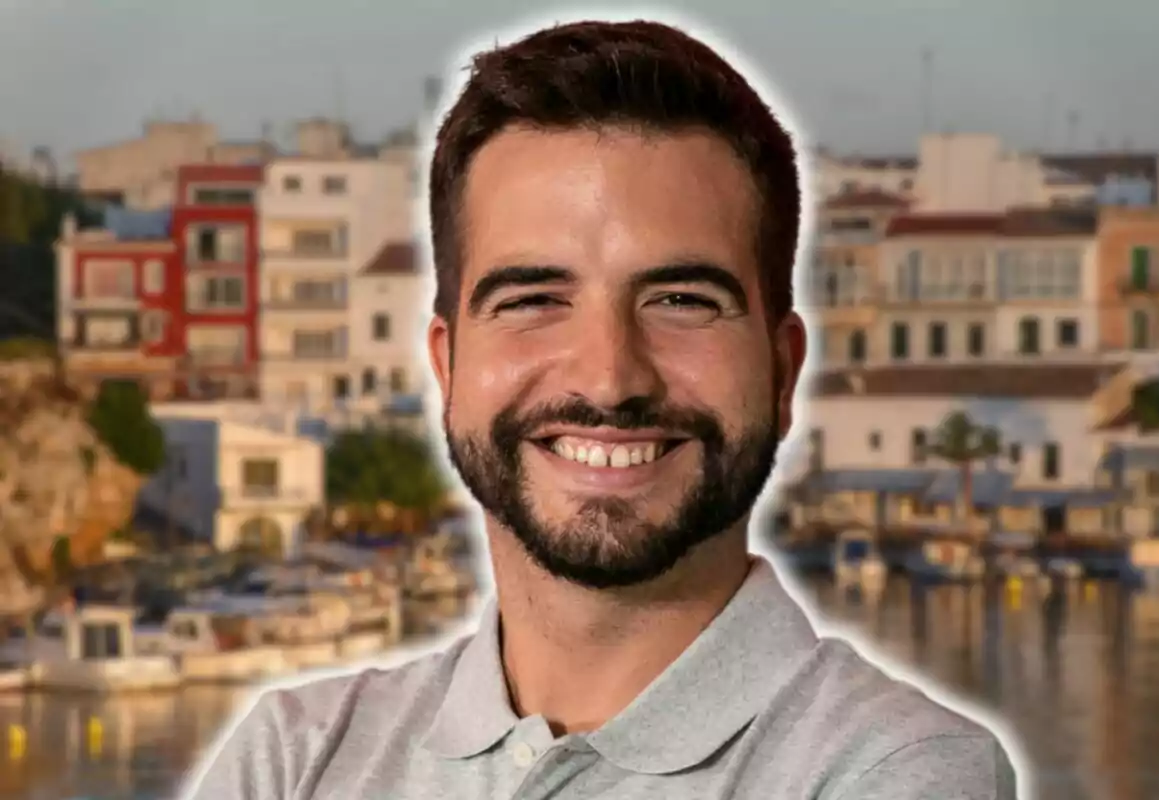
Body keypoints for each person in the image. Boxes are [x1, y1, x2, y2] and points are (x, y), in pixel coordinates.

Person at [185, 17, 1019, 799]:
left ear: (781, 368)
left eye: (682, 300)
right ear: (448, 366)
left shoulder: (900, 770)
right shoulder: (293, 757)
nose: (610, 377)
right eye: (533, 300)